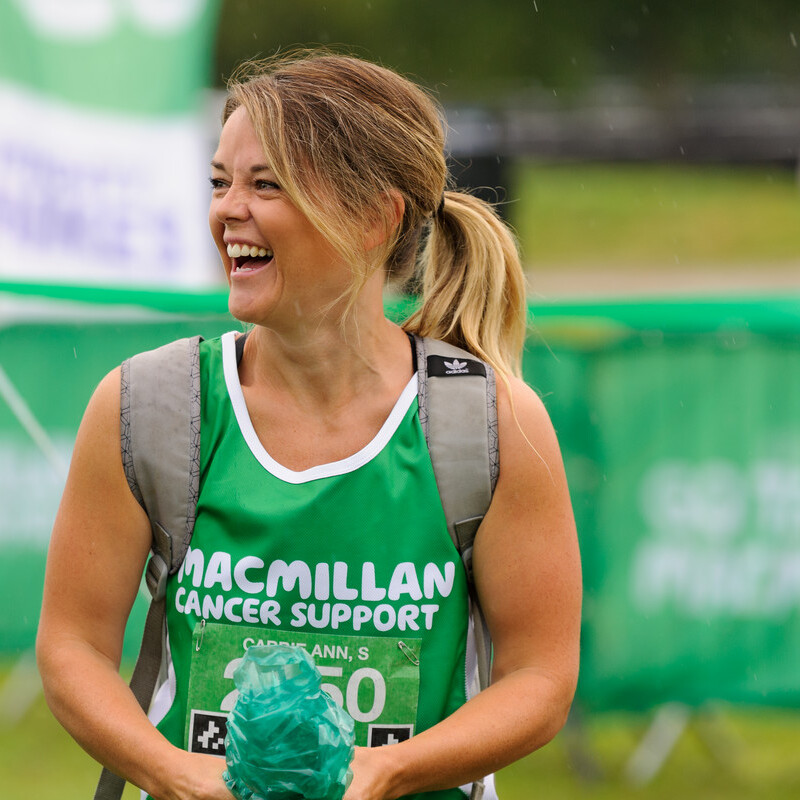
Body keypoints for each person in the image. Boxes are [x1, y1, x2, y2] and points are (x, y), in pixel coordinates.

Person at [36, 51, 582, 800]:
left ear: (375, 217)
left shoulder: (490, 423)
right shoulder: (148, 406)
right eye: (220, 182)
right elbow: (71, 649)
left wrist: (387, 769)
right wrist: (177, 773)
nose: (229, 211)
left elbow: (541, 677)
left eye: (267, 185)